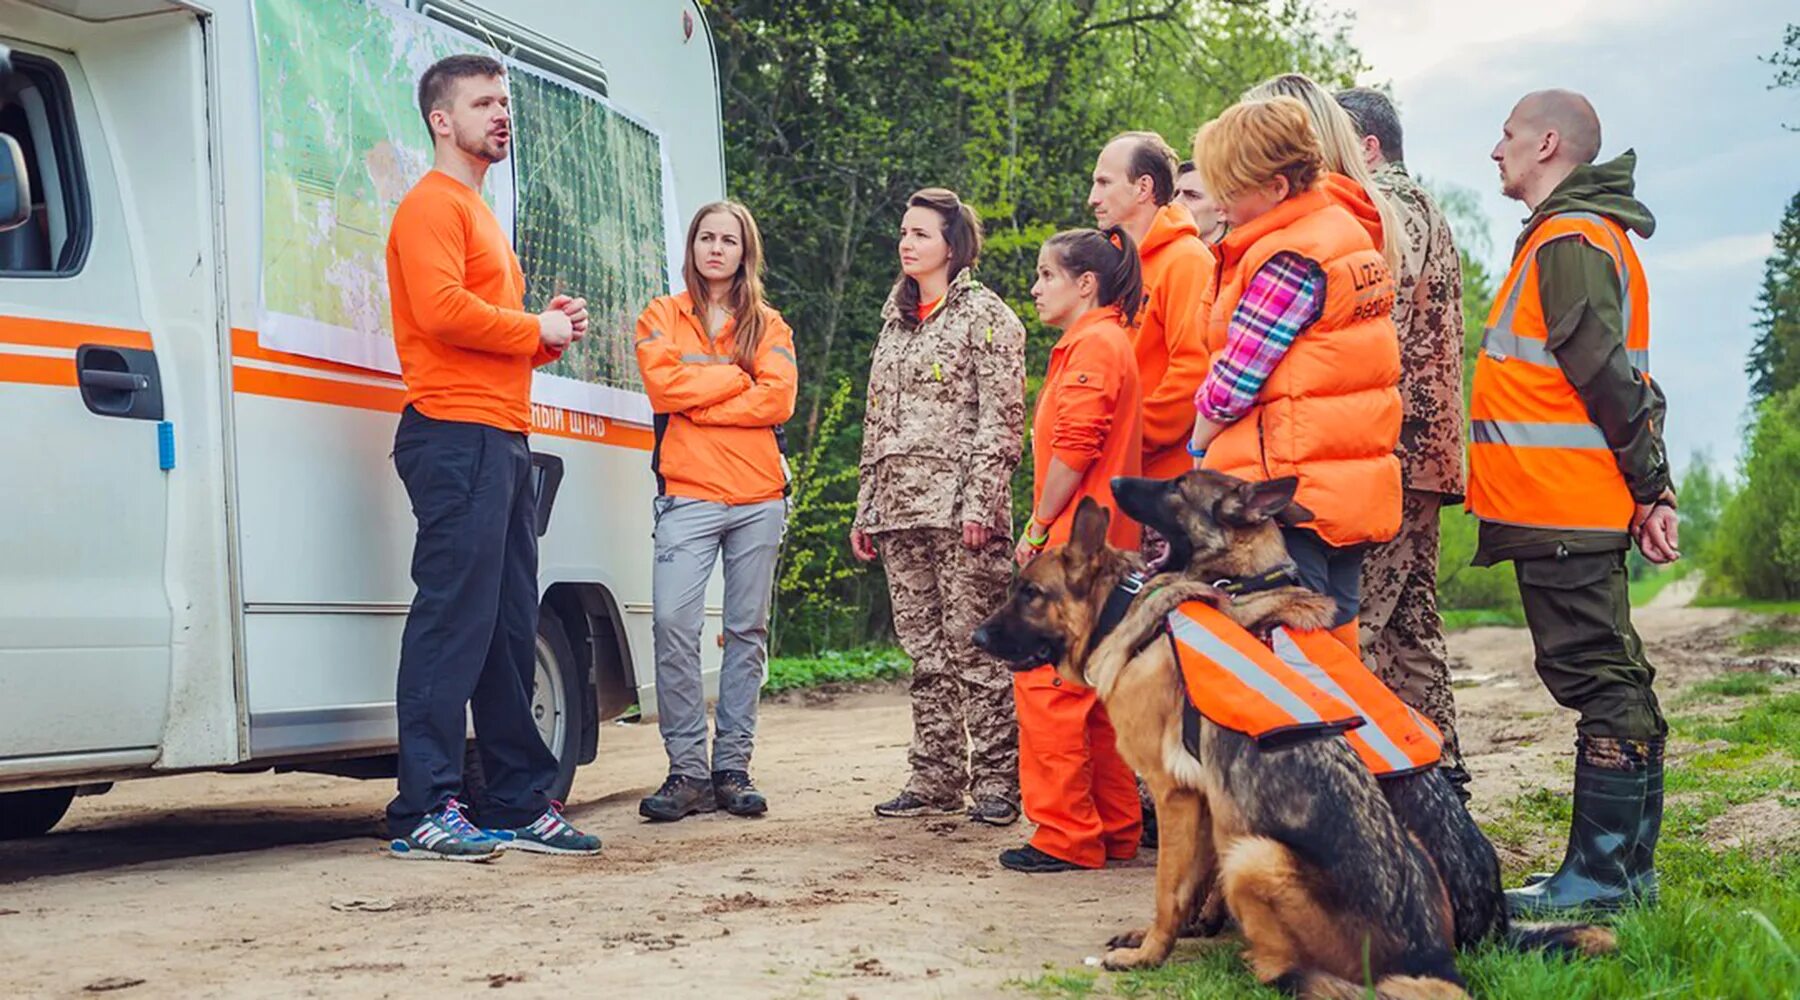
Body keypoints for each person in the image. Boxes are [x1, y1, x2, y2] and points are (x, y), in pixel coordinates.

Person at [384, 54, 600, 860]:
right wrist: (530, 329)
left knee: (509, 627)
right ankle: (422, 810)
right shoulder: (431, 206)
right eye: (484, 102)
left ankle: (514, 801)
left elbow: (484, 335)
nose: (501, 113)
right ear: (443, 119)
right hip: (455, 436)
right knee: (453, 624)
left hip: (499, 436)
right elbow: (441, 313)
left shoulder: (474, 211)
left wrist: (540, 335)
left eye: (505, 101)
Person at [1476, 90, 1675, 918]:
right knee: (1611, 674)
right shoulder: (1576, 236)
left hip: (1562, 507)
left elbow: (1606, 375)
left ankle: (1600, 882)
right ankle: (1624, 876)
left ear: (1548, 144)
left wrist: (1650, 482)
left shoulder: (1568, 238)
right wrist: (1648, 484)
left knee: (1599, 677)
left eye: (1509, 135)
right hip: (1565, 506)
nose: (1496, 150)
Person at [1186, 97, 1403, 659]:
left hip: (1288, 492)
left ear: (1278, 187)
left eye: (1231, 189)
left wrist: (1199, 446)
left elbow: (1234, 382)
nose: (1222, 204)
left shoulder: (1286, 256)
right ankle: (1362, 746)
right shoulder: (1343, 233)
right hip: (1345, 489)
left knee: (1294, 658)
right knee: (1338, 645)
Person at [851, 188, 1026, 827]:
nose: (906, 243)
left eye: (920, 234)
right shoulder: (893, 322)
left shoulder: (987, 317)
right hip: (899, 512)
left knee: (975, 651)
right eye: (903, 232)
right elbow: (876, 424)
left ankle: (999, 784)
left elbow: (1002, 423)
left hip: (961, 514)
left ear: (952, 246)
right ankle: (935, 777)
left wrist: (981, 503)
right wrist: (866, 508)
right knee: (925, 653)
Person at [634, 201, 798, 823]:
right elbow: (663, 388)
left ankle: (732, 767)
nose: (717, 248)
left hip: (758, 497)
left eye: (729, 240)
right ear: (693, 246)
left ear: (744, 251)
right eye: (707, 237)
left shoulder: (770, 325)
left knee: (746, 632)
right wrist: (737, 380)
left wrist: (704, 401)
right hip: (688, 493)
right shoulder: (661, 315)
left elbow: (778, 398)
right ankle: (686, 771)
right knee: (674, 624)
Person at [1332, 86, 1472, 795]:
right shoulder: (1427, 208)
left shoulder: (1388, 207)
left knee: (1365, 624)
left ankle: (1390, 781)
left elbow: (1370, 309)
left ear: (1369, 145)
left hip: (1393, 445)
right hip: (1425, 449)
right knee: (1412, 620)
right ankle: (1439, 771)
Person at [1004, 226, 1146, 873]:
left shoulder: (1093, 344)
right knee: (1092, 696)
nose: (1035, 288)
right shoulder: (1100, 341)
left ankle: (1064, 835)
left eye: (1046, 276)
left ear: (1085, 284)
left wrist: (1036, 527)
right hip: (1103, 550)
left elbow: (1077, 446)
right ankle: (1115, 830)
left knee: (1048, 688)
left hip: (1076, 553)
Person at [1089, 132, 1216, 482]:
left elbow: (1194, 373)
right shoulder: (1112, 263)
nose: (1092, 198)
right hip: (1109, 470)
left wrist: (1124, 440)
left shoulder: (1187, 261)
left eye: (1103, 183)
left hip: (1161, 485)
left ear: (1142, 187)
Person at [1173, 160, 1228, 244]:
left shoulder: (1248, 255)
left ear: (1222, 211)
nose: (1176, 202)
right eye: (1175, 195)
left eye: (1192, 196)